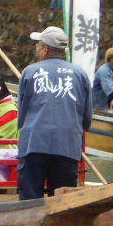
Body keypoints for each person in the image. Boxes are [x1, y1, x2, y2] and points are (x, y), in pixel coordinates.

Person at [17, 26, 92, 200]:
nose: (36, 49)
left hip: (34, 144)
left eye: (38, 45)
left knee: (30, 201)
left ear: (45, 49)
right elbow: (87, 117)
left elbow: (21, 115)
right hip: (67, 145)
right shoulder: (80, 74)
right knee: (62, 202)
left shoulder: (30, 72)